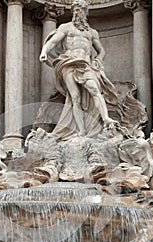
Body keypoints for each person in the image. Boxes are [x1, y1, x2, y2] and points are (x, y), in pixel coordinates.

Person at [39, 0, 119, 140]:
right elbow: (52, 42)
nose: (78, 12)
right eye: (75, 10)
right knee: (75, 97)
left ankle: (105, 118)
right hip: (68, 63)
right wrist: (44, 51)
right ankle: (81, 131)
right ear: (72, 11)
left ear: (85, 12)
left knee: (94, 89)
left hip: (86, 65)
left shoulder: (92, 33)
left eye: (81, 10)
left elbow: (101, 51)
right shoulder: (65, 27)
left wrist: (98, 60)